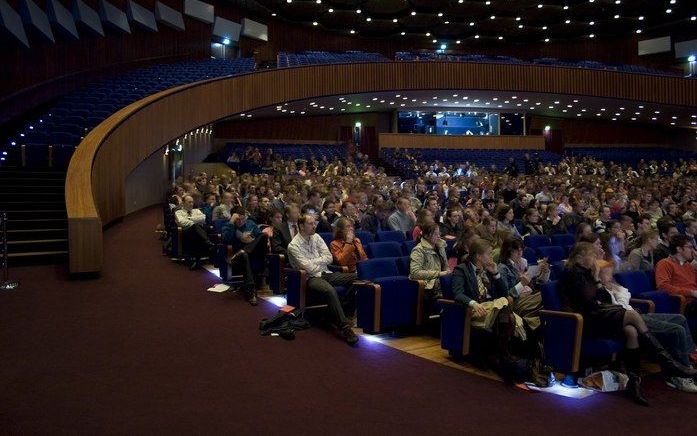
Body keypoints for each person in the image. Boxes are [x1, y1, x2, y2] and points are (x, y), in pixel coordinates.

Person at [560, 242, 696, 406]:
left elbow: (601, 298)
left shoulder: (586, 272)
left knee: (632, 331)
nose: (595, 259)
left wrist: (596, 280)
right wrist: (596, 278)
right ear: (580, 257)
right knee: (632, 315)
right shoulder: (572, 273)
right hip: (587, 321)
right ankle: (668, 362)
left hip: (601, 314)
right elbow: (588, 300)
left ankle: (634, 383)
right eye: (592, 255)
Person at [598, 259, 697, 393]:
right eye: (607, 275)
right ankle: (678, 375)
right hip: (628, 318)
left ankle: (689, 359)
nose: (611, 278)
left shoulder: (611, 286)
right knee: (676, 329)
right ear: (598, 275)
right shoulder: (600, 291)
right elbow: (619, 307)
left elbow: (626, 293)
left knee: (680, 318)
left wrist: (617, 289)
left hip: (635, 313)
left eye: (611, 274)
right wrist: (617, 291)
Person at [451, 239, 529, 383]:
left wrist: (496, 275)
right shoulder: (462, 269)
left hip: (492, 307)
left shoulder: (489, 270)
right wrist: (473, 303)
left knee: (504, 306)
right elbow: (457, 293)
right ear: (478, 256)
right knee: (506, 311)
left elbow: (504, 292)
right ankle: (503, 355)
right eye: (488, 254)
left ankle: (502, 356)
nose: (491, 257)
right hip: (477, 310)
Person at [287, 214, 359, 346]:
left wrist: (314, 262)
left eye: (314, 223)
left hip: (326, 273)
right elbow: (307, 268)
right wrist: (318, 262)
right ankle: (345, 328)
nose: (314, 226)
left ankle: (343, 313)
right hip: (310, 278)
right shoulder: (293, 245)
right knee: (330, 290)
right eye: (310, 223)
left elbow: (329, 258)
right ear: (301, 226)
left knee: (359, 277)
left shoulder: (317, 237)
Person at [497, 237, 545, 331]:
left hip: (527, 297)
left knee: (547, 297)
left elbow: (535, 283)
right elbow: (505, 295)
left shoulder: (517, 264)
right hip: (516, 302)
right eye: (516, 251)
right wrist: (522, 284)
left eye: (521, 250)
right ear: (508, 251)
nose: (520, 253)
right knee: (547, 298)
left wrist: (543, 273)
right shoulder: (502, 268)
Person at [655, 234, 697, 320]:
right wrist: (691, 293)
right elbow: (662, 286)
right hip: (685, 302)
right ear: (679, 249)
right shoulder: (665, 263)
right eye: (690, 247)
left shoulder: (688, 265)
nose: (693, 251)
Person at [409, 222, 450, 302]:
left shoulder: (440, 245)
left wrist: (447, 273)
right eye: (435, 234)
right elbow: (414, 273)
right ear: (426, 236)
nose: (439, 236)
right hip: (429, 285)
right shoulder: (418, 250)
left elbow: (446, 266)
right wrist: (439, 273)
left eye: (439, 233)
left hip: (442, 280)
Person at [174, 195, 214, 270]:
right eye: (189, 202)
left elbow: (203, 218)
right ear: (183, 203)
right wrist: (194, 221)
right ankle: (207, 242)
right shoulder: (178, 212)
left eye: (192, 202)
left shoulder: (197, 210)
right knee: (194, 226)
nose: (191, 204)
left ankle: (197, 261)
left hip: (196, 234)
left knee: (196, 233)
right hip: (186, 233)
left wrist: (189, 218)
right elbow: (182, 222)